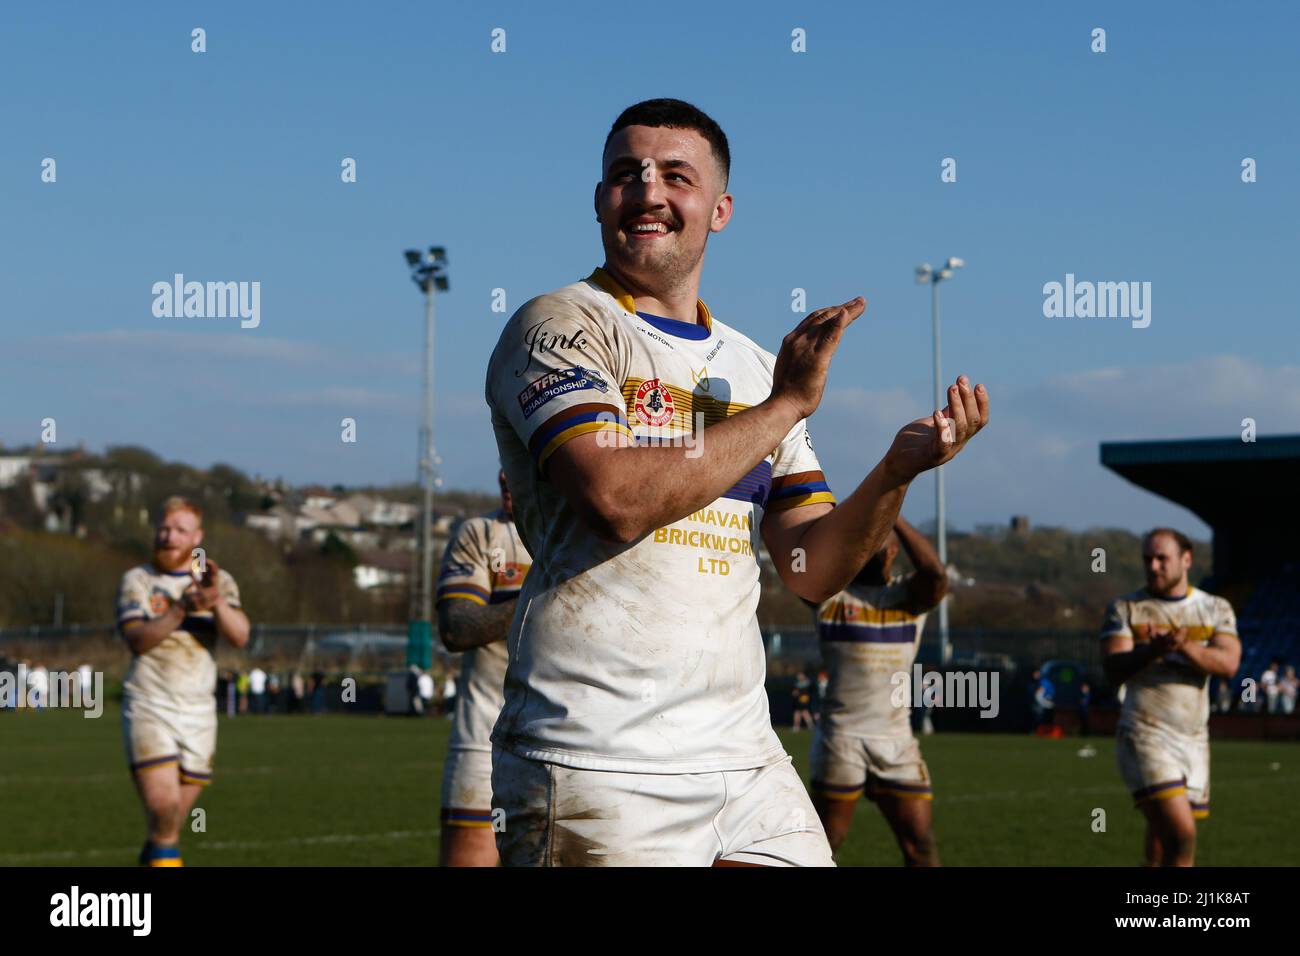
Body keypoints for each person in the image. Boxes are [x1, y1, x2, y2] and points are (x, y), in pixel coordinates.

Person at [483, 98, 989, 867]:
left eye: (675, 176)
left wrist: (895, 472)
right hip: (596, 757)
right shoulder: (560, 325)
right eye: (626, 174)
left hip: (745, 757)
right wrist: (785, 405)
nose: (648, 192)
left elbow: (812, 570)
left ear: (718, 210)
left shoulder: (755, 366)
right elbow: (614, 499)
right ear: (599, 201)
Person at [115, 496, 250, 866]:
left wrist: (216, 602)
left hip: (198, 713)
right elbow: (138, 640)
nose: (169, 536)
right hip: (149, 705)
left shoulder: (218, 581)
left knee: (168, 826)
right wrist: (180, 610)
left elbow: (240, 636)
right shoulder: (138, 581)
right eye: (164, 527)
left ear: (197, 537)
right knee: (164, 806)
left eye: (179, 530)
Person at [808, 516, 947, 866]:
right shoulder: (831, 596)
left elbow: (936, 574)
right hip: (842, 739)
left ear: (893, 554)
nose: (869, 552)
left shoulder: (908, 598)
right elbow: (801, 560)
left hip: (895, 740)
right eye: (863, 546)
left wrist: (894, 515)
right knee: (826, 844)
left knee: (921, 845)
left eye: (877, 547)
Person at [1100, 528, 1239, 867]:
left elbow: (1228, 664)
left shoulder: (1214, 608)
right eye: (1148, 559)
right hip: (1144, 732)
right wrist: (1152, 650)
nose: (1154, 566)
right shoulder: (1126, 609)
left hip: (1193, 738)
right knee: (1182, 836)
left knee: (1162, 841)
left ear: (1186, 560)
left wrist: (1183, 646)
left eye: (1162, 558)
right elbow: (1113, 667)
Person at [435, 470, 532, 867]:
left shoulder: (591, 531)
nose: (507, 474)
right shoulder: (481, 533)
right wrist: (545, 591)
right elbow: (456, 628)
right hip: (484, 740)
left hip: (579, 743)